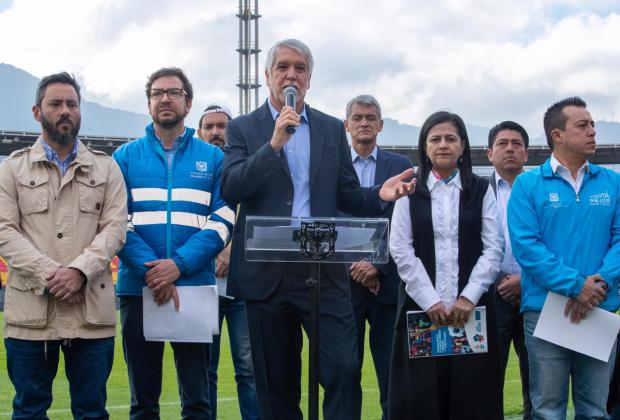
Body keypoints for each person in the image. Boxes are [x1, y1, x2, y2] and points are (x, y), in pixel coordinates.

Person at [221, 39, 414, 420]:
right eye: (283, 67)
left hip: (323, 268)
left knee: (343, 370)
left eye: (300, 68)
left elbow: (346, 193)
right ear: (267, 76)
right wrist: (274, 144)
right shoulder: (244, 128)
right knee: (277, 385)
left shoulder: (328, 128)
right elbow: (232, 188)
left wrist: (380, 193)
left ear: (309, 77)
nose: (291, 74)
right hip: (265, 273)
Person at [0, 72, 127, 419]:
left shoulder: (106, 168)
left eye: (72, 103)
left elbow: (115, 229)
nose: (65, 110)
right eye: (55, 103)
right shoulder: (11, 170)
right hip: (31, 315)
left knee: (91, 411)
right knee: (28, 410)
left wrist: (79, 271)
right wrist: (52, 273)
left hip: (90, 314)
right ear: (37, 111)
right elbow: (4, 231)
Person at [113, 67, 234, 419]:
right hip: (139, 287)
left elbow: (224, 219)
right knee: (143, 401)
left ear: (188, 102)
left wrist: (177, 265)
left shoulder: (213, 158)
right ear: (149, 104)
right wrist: (154, 271)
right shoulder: (125, 157)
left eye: (174, 92)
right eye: (157, 93)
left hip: (194, 286)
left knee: (198, 399)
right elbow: (116, 221)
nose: (165, 98)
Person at [509, 97, 620, 419]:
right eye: (583, 125)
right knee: (547, 410)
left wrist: (596, 286)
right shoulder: (528, 185)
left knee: (594, 411)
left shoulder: (612, 183)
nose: (593, 131)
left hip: (599, 308)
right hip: (545, 309)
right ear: (557, 135)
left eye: (593, 125)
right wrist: (575, 286)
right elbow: (527, 246)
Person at [389, 111, 503, 420]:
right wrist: (431, 300)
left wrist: (468, 297)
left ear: (463, 146)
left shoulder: (481, 191)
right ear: (424, 146)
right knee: (421, 401)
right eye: (435, 139)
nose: (443, 145)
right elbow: (401, 250)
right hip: (421, 312)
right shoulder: (410, 191)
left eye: (450, 138)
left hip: (472, 314)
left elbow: (493, 249)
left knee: (471, 398)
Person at [343, 94, 413, 419]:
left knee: (393, 377)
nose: (364, 123)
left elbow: (410, 227)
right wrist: (351, 265)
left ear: (381, 125)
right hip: (343, 289)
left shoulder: (401, 168)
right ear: (347, 124)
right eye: (357, 117)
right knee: (344, 376)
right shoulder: (331, 167)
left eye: (371, 117)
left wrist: (377, 266)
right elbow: (325, 218)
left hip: (389, 287)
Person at [197, 103, 260, 420]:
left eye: (222, 126)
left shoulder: (246, 167)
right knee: (203, 368)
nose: (216, 132)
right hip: (202, 283)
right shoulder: (193, 172)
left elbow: (260, 215)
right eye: (209, 126)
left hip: (241, 287)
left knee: (249, 369)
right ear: (199, 132)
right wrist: (213, 251)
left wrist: (232, 248)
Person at [486, 121, 531, 419]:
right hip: (492, 294)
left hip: (536, 294)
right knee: (488, 382)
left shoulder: (539, 189)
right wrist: (502, 279)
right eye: (503, 144)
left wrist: (524, 280)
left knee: (540, 382)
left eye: (517, 143)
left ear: (527, 154)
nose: (510, 149)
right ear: (490, 153)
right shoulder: (477, 192)